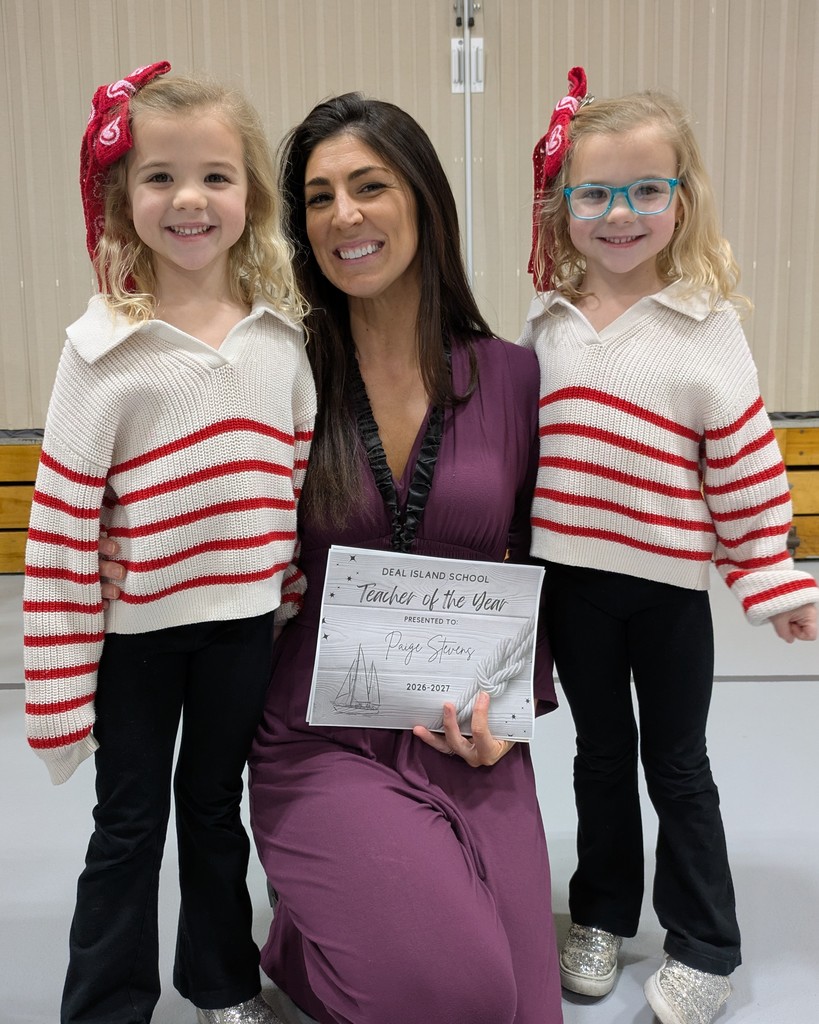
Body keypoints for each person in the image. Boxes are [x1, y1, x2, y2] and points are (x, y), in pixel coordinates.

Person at [244, 92, 562, 1024]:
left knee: (520, 1011)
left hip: (466, 731)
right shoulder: (280, 371)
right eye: (319, 197)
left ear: (422, 198)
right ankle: (311, 937)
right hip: (318, 732)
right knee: (460, 996)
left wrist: (511, 719)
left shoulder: (512, 375)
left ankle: (325, 934)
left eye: (369, 186)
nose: (344, 215)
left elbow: (536, 559)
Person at [521, 69, 819, 1024]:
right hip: (572, 587)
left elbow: (743, 463)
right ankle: (602, 914)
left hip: (665, 595)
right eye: (595, 193)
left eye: (646, 189)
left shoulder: (706, 327)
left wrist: (771, 578)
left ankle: (704, 943)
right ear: (562, 207)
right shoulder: (546, 324)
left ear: (680, 200)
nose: (620, 214)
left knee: (677, 765)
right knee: (599, 757)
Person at [23, 63, 315, 1024]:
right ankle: (105, 1004)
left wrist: (286, 602)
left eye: (214, 176)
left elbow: (291, 489)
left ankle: (222, 984)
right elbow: (63, 529)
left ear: (250, 195)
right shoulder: (100, 349)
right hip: (137, 640)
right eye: (160, 176)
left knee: (215, 812)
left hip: (241, 633)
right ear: (122, 197)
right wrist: (59, 691)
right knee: (129, 824)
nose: (189, 199)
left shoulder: (281, 340)